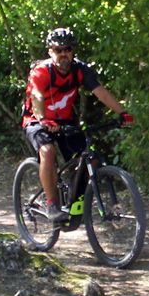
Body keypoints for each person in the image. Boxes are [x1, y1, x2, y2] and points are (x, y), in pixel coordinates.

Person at [22, 27, 132, 224]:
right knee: (47, 152)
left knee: (90, 160)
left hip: (65, 122)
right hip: (36, 120)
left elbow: (101, 92)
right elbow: (37, 95)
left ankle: (74, 202)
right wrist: (43, 119)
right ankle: (52, 204)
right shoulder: (42, 72)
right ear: (50, 51)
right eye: (58, 50)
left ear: (73, 51)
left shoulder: (80, 70)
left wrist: (123, 113)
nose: (63, 53)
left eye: (68, 49)